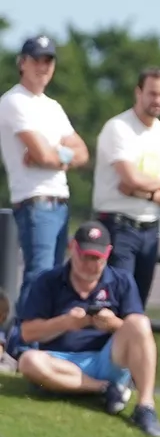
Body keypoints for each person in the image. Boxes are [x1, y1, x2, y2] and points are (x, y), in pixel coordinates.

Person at [12, 221, 160, 437]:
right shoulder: (48, 281)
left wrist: (113, 325)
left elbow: (138, 332)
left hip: (106, 359)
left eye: (96, 259)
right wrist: (66, 323)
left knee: (140, 323)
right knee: (28, 361)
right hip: (60, 360)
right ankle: (103, 389)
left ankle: (145, 405)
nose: (89, 264)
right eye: (84, 256)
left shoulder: (121, 281)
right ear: (72, 248)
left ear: (108, 254)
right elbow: (27, 333)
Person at [0, 35, 90, 304]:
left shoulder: (53, 107)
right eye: (37, 60)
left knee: (54, 278)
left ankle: (37, 340)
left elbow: (82, 152)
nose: (43, 66)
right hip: (35, 200)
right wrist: (58, 153)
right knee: (38, 276)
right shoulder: (14, 101)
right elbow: (40, 154)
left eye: (48, 60)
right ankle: (23, 340)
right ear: (22, 63)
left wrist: (56, 155)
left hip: (59, 202)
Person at [91, 66, 160, 307]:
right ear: (139, 92)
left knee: (138, 306)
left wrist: (146, 193)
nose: (158, 100)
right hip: (118, 225)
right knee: (116, 303)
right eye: (153, 93)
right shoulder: (119, 128)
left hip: (151, 229)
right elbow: (130, 178)